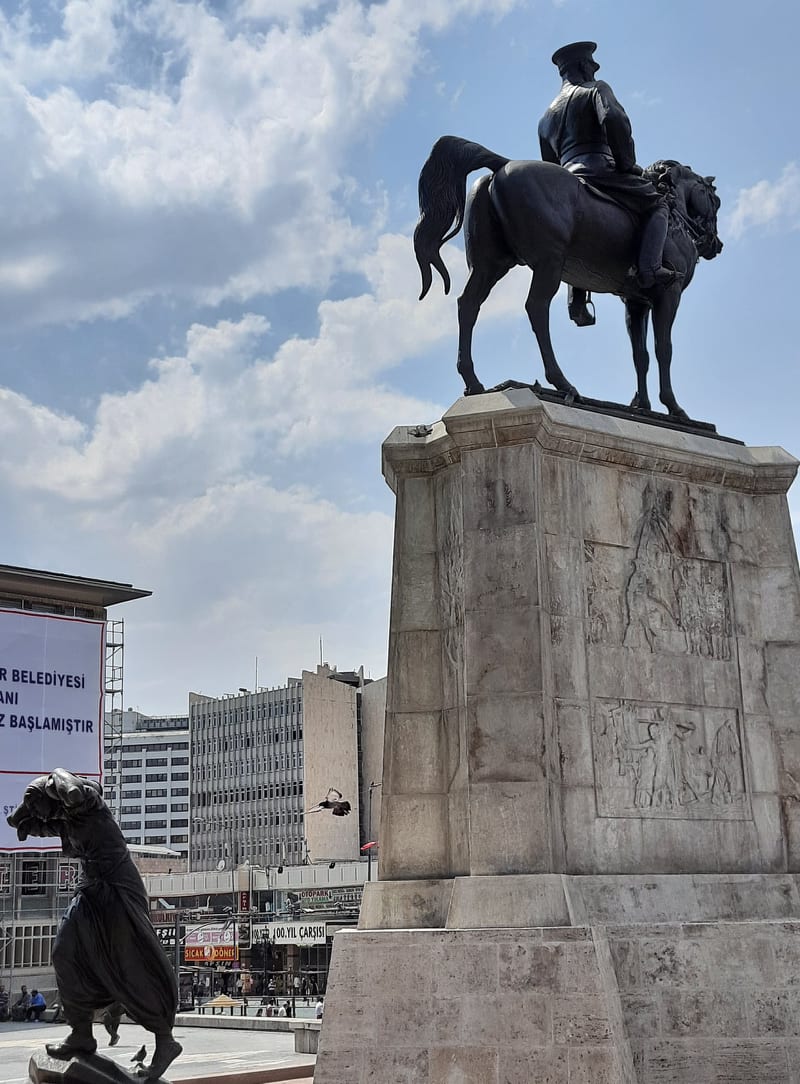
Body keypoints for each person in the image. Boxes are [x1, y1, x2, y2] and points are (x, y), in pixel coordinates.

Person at [6, 769, 182, 1080]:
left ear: (51, 794)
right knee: (64, 953)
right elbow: (22, 823)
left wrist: (52, 778)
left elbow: (69, 788)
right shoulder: (64, 819)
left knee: (132, 962)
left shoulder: (86, 801)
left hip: (117, 889)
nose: (38, 815)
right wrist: (27, 810)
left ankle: (164, 1040)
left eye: (39, 806)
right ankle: (81, 1034)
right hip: (91, 892)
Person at [538, 41, 677, 327]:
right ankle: (650, 269)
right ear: (580, 66)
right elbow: (615, 119)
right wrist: (627, 164)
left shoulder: (546, 117)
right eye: (591, 65)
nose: (595, 69)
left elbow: (551, 167)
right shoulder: (596, 89)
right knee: (658, 204)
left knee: (566, 226)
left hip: (568, 177)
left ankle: (577, 300)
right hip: (601, 169)